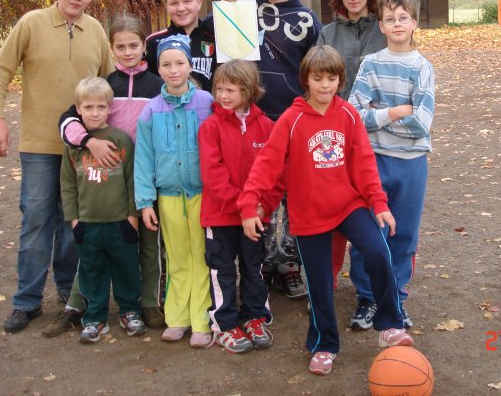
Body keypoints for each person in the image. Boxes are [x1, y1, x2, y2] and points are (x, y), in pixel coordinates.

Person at [238, 46, 414, 376]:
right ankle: (324, 344)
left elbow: (364, 163)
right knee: (319, 284)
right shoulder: (291, 120)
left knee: (378, 252)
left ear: (340, 80)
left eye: (331, 78)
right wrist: (249, 205)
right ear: (306, 80)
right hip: (309, 213)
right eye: (318, 78)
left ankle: (390, 324)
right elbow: (267, 164)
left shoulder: (348, 115)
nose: (325, 85)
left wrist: (378, 203)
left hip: (348, 205)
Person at [0, 0, 114, 333]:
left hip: (83, 147)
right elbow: (0, 69)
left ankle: (68, 293)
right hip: (40, 145)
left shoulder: (95, 31)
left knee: (74, 223)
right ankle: (26, 301)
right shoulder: (32, 23)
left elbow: (110, 82)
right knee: (37, 220)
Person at [45, 16, 166, 337]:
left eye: (133, 45)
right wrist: (89, 141)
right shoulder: (105, 86)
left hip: (146, 175)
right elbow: (69, 118)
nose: (128, 52)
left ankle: (147, 303)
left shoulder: (157, 86)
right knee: (93, 247)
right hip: (108, 176)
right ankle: (78, 304)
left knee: (147, 244)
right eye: (120, 46)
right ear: (111, 48)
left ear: (144, 46)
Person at [228, 0, 321, 300]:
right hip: (253, 121)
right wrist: (224, 12)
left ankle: (290, 263)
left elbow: (317, 70)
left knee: (296, 199)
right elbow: (204, 28)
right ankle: (264, 264)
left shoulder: (306, 19)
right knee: (262, 196)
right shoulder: (240, 7)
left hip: (294, 121)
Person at [348, 0, 435, 331]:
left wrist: (377, 114)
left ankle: (395, 295)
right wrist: (397, 111)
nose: (397, 24)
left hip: (412, 163)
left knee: (404, 233)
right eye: (389, 19)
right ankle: (368, 297)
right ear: (381, 26)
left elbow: (422, 124)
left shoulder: (422, 67)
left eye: (403, 18)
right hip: (372, 160)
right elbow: (354, 115)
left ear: (413, 23)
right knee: (369, 232)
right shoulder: (371, 64)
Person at [134, 34, 215, 347]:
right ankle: (178, 317)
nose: (173, 70)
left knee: (202, 257)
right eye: (166, 64)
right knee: (177, 258)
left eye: (179, 63)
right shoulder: (151, 111)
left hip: (201, 195)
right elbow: (143, 158)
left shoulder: (207, 103)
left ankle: (201, 320)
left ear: (189, 65)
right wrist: (145, 202)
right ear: (158, 68)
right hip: (168, 197)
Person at [198, 60, 283, 353]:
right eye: (219, 89)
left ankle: (255, 318)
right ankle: (224, 325)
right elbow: (213, 176)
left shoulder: (267, 127)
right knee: (222, 271)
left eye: (230, 90)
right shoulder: (211, 127)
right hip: (220, 216)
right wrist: (244, 207)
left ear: (248, 91)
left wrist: (263, 206)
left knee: (254, 268)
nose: (223, 95)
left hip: (256, 217)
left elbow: (276, 173)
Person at [317, 0, 386, 288]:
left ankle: (367, 288)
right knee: (332, 212)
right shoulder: (328, 34)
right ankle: (325, 282)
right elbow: (317, 82)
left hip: (378, 135)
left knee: (368, 213)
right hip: (336, 136)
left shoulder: (384, 29)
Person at [59, 77, 144, 343]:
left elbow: (132, 180)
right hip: (87, 223)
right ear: (78, 109)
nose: (95, 113)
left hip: (121, 222)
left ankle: (129, 311)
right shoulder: (74, 147)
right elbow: (68, 186)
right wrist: (74, 220)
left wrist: (132, 217)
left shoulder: (121, 140)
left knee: (127, 269)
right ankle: (95, 317)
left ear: (110, 108)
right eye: (88, 107)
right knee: (91, 271)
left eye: (101, 107)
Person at [145, 0, 217, 92]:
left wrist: (231, 9)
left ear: (199, 3)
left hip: (208, 103)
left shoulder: (215, 38)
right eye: (174, 3)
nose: (181, 8)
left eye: (187, 1)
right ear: (166, 6)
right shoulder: (153, 42)